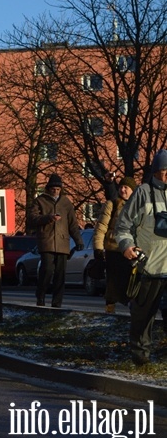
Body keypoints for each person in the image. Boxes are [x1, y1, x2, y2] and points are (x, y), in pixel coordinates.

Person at [115, 150, 167, 366]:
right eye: (163, 172)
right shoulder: (143, 193)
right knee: (143, 318)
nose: (165, 177)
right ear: (155, 172)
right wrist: (126, 245)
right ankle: (140, 357)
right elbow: (123, 225)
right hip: (148, 268)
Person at [26, 174, 84, 308]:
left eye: (58, 189)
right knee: (47, 270)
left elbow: (73, 224)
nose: (56, 191)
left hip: (63, 243)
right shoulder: (40, 201)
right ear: (48, 188)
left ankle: (57, 302)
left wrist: (78, 241)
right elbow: (32, 219)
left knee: (60, 274)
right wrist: (48, 218)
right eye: (53, 189)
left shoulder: (66, 203)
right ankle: (40, 295)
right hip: (47, 241)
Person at [93, 176, 137, 313]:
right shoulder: (111, 204)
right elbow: (101, 227)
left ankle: (132, 311)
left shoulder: (138, 206)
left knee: (131, 283)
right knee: (112, 283)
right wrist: (98, 249)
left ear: (132, 190)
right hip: (114, 249)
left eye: (126, 187)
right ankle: (110, 310)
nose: (123, 190)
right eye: (121, 187)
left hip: (131, 249)